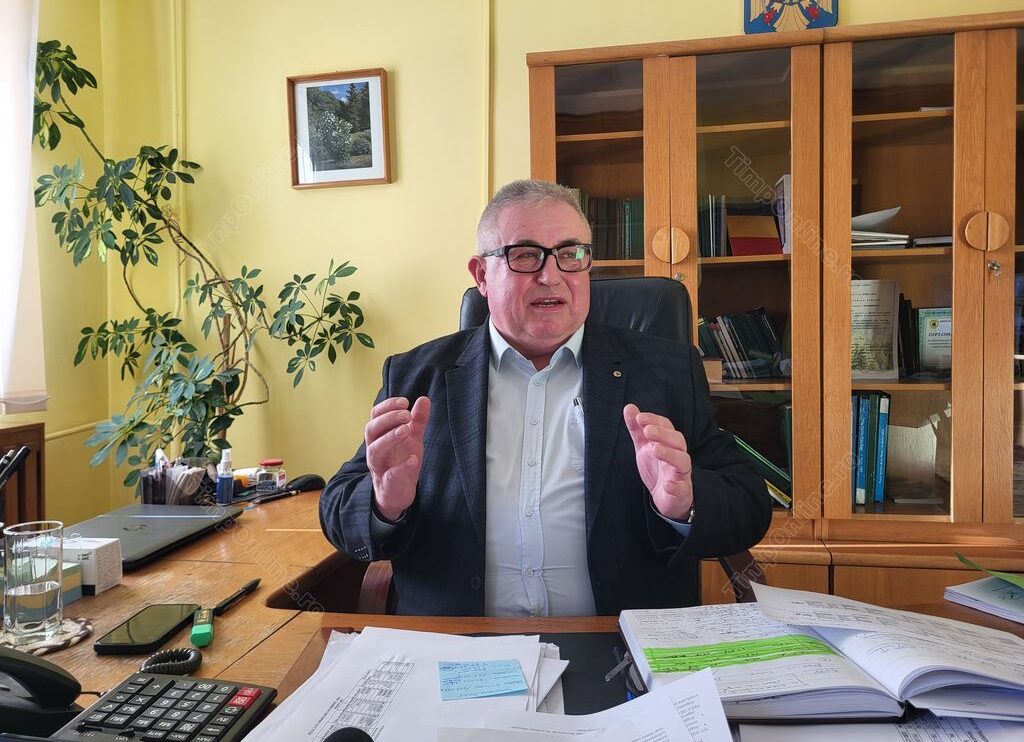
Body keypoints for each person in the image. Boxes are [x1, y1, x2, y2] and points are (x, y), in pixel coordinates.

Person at [320, 179, 770, 616]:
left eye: (571, 254)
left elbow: (749, 505)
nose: (551, 276)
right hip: (458, 646)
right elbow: (338, 509)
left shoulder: (666, 372)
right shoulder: (416, 376)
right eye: (525, 255)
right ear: (481, 275)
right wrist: (385, 504)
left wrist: (685, 503)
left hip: (622, 642)